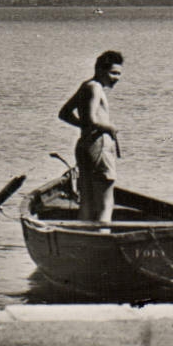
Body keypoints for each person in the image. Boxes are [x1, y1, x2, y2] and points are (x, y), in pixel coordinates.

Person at [58, 50, 124, 223]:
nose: (117, 78)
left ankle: (84, 234)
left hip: (85, 146)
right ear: (100, 69)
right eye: (113, 73)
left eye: (119, 74)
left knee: (87, 201)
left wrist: (84, 127)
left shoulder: (86, 85)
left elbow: (64, 113)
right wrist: (110, 127)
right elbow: (91, 119)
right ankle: (103, 234)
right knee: (105, 203)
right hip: (99, 146)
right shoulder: (95, 88)